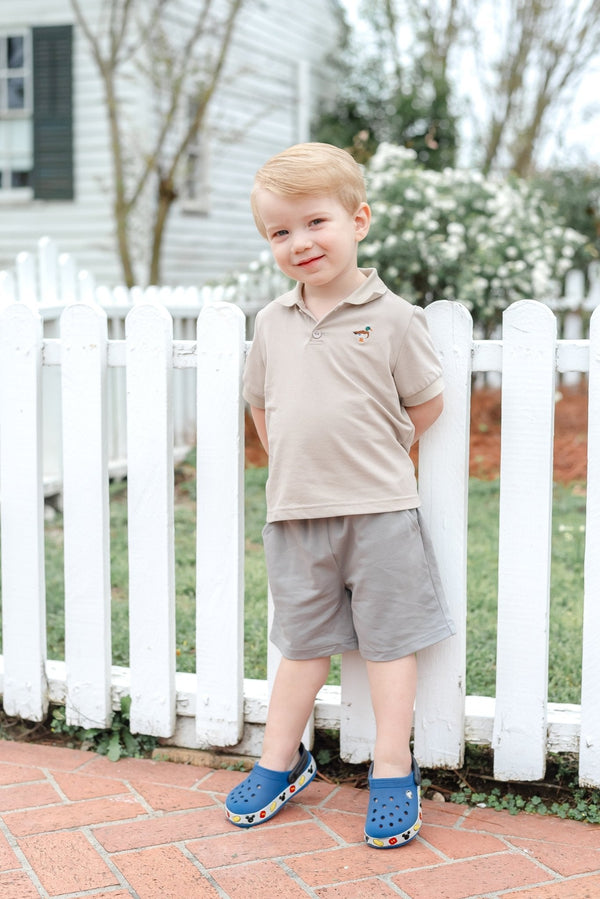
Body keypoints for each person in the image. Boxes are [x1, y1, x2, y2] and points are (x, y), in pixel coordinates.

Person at [225, 142, 455, 848]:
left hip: (380, 511)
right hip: (297, 514)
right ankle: (281, 759)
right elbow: (261, 406)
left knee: (389, 643)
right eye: (281, 231)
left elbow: (426, 404)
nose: (300, 242)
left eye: (315, 222)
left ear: (358, 220)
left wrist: (371, 452)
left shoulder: (394, 317)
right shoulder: (272, 322)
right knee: (301, 645)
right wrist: (301, 464)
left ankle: (393, 766)